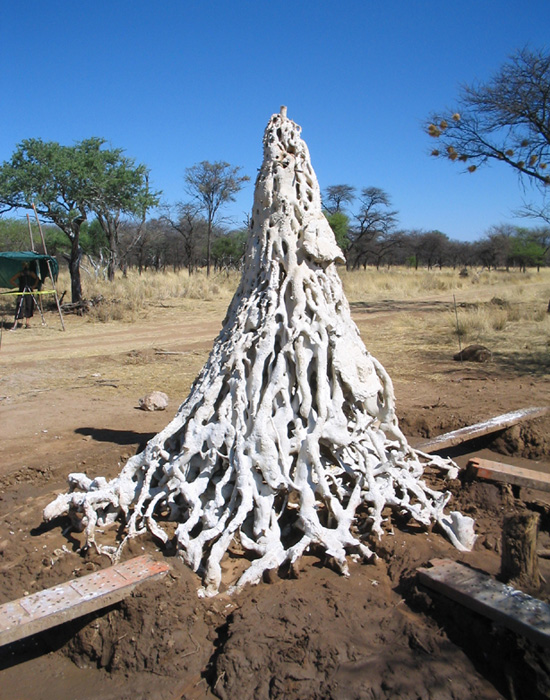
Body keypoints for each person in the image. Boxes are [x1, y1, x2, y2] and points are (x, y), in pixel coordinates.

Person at [9, 262, 39, 329]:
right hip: (21, 290)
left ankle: (27, 323)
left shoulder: (31, 273)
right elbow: (11, 280)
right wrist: (17, 286)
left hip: (29, 291)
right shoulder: (20, 273)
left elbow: (37, 279)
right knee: (19, 304)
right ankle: (16, 322)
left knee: (29, 305)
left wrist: (34, 286)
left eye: (26, 265)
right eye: (24, 265)